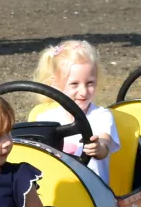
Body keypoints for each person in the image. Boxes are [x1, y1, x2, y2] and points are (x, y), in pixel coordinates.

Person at [33, 40, 119, 183]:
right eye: (74, 84)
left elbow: (105, 144)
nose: (84, 92)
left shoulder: (101, 116)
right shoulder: (44, 118)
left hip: (94, 192)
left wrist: (99, 148)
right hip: (57, 188)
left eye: (90, 83)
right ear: (55, 84)